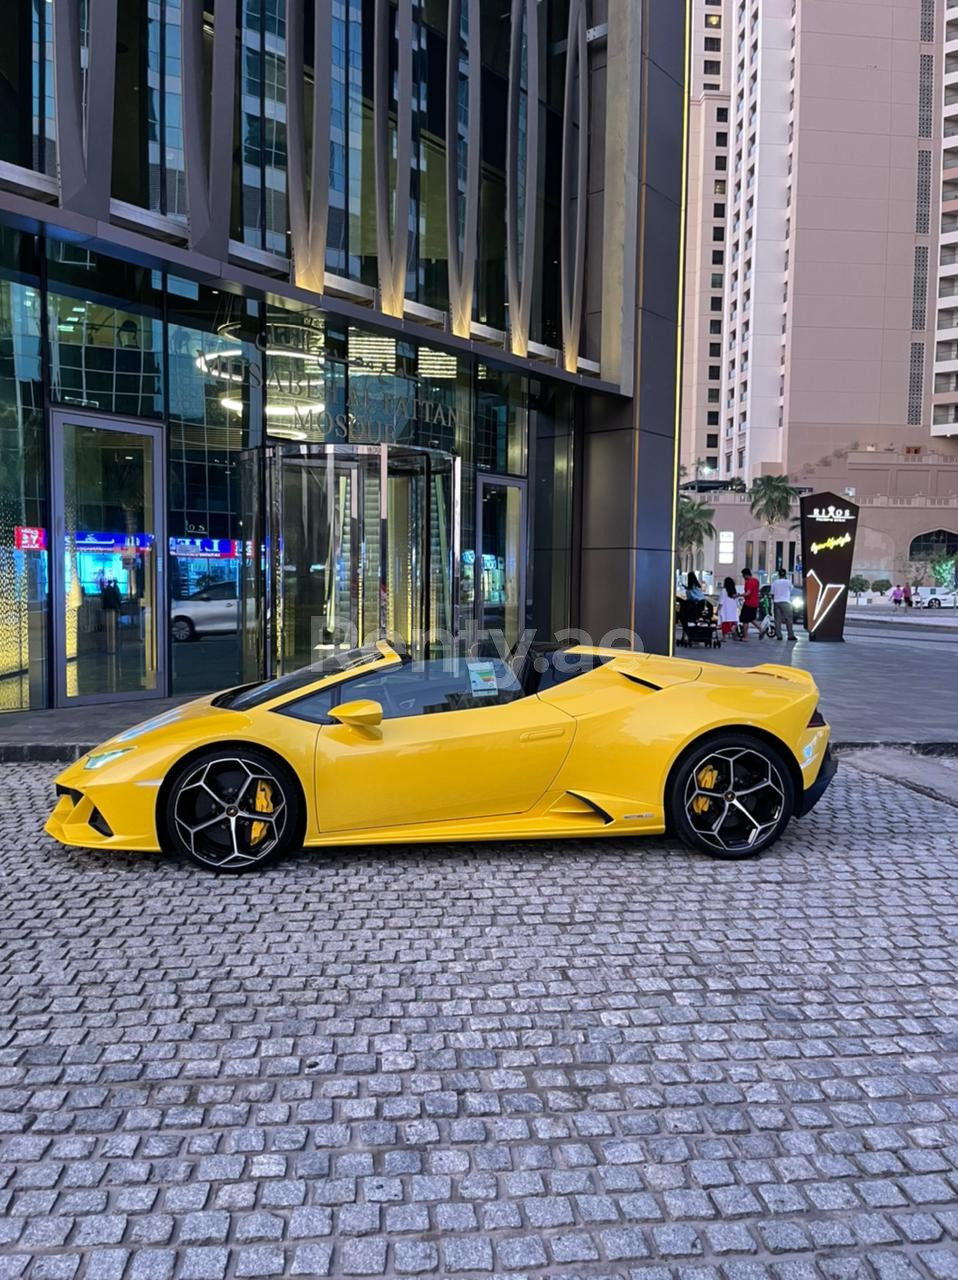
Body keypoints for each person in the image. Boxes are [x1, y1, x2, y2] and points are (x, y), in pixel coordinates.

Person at [771, 568, 797, 640]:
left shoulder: (775, 582)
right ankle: (790, 635)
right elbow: (791, 590)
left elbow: (772, 594)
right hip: (786, 602)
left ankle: (779, 635)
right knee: (788, 619)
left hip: (776, 602)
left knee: (777, 620)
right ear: (785, 574)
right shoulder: (788, 582)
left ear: (778, 574)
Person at [739, 567, 763, 641]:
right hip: (755, 603)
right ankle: (761, 629)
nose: (743, 577)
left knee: (745, 620)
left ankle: (745, 637)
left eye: (743, 575)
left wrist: (740, 595)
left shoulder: (748, 581)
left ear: (746, 575)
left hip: (748, 603)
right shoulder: (756, 581)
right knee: (751, 618)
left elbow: (748, 593)